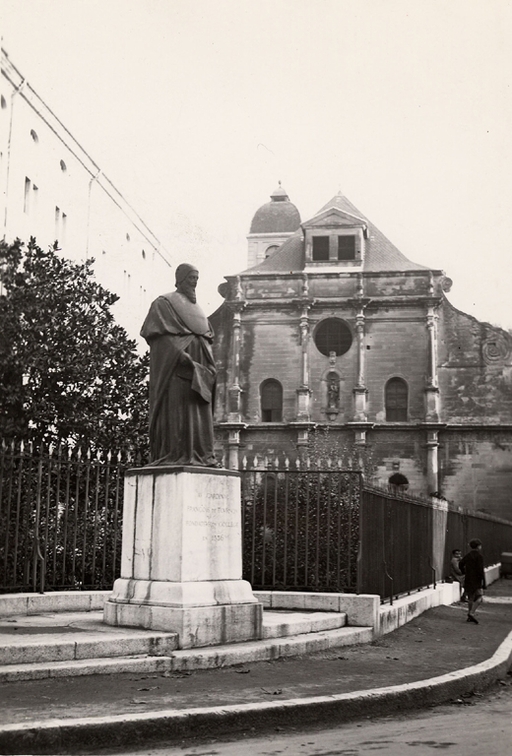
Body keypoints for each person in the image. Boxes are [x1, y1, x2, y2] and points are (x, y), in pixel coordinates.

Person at [140, 263, 218, 467]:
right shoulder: (164, 303)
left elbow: (206, 338)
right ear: (181, 279)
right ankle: (176, 454)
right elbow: (159, 337)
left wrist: (206, 366)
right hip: (177, 369)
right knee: (178, 413)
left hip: (199, 371)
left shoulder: (198, 309)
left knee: (199, 414)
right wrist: (179, 354)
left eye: (196, 279)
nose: (194, 282)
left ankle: (201, 455)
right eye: (191, 278)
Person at [459, 539, 486, 624]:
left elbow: (461, 563)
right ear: (478, 546)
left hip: (469, 578)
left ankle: (469, 614)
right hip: (477, 579)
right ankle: (472, 613)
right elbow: (480, 570)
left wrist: (464, 572)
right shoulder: (479, 556)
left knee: (470, 597)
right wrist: (483, 581)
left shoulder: (468, 555)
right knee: (479, 597)